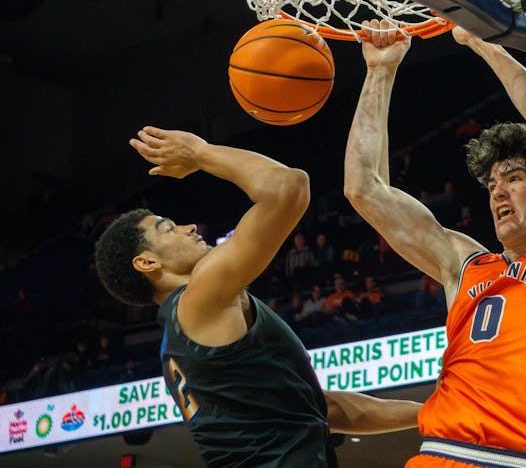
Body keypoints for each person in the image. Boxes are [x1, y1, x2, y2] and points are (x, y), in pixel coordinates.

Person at [344, 23, 526, 468]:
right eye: (492, 184)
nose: (497, 192)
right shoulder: (464, 264)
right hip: (437, 456)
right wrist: (380, 71)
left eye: (513, 178)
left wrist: (483, 41)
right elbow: (365, 189)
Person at [94, 127, 420, 467]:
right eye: (167, 228)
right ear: (147, 263)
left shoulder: (184, 330)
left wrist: (431, 413)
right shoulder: (198, 299)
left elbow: (324, 410)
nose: (189, 227)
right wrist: (200, 153)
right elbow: (288, 187)